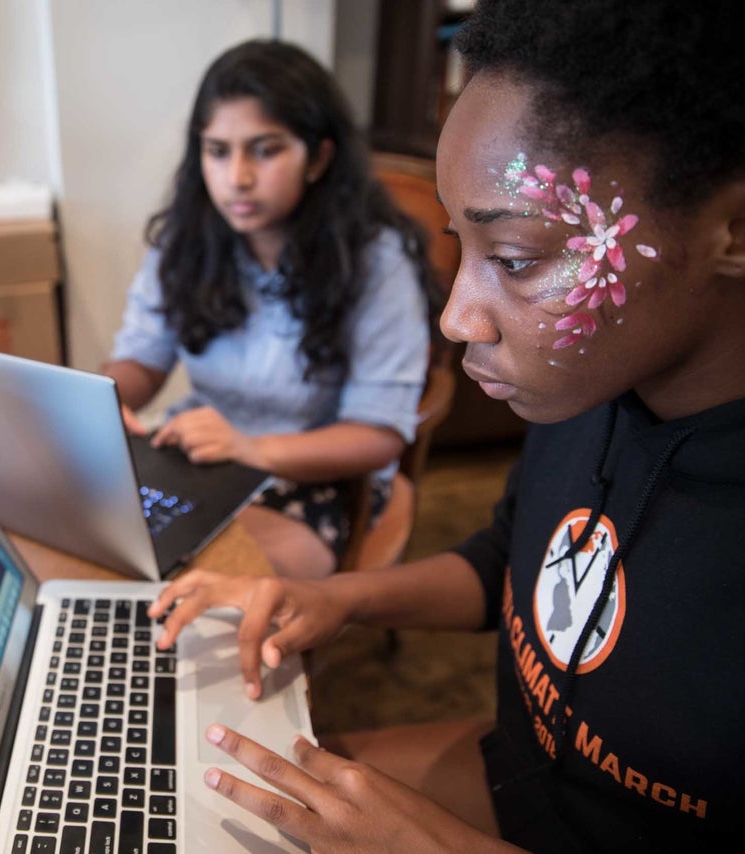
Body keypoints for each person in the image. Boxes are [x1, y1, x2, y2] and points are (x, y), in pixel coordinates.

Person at [147, 0, 745, 849]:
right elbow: (508, 563)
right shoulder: (591, 393)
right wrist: (335, 599)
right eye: (459, 246)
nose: (458, 318)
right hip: (522, 776)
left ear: (734, 229)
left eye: (515, 259)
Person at [103, 40, 437, 579]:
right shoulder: (185, 244)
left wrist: (250, 446)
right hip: (204, 456)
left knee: (205, 588)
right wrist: (101, 400)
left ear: (318, 158)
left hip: (324, 475)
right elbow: (142, 360)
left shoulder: (375, 261)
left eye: (264, 150)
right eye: (217, 151)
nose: (236, 177)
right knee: (109, 554)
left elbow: (379, 434)